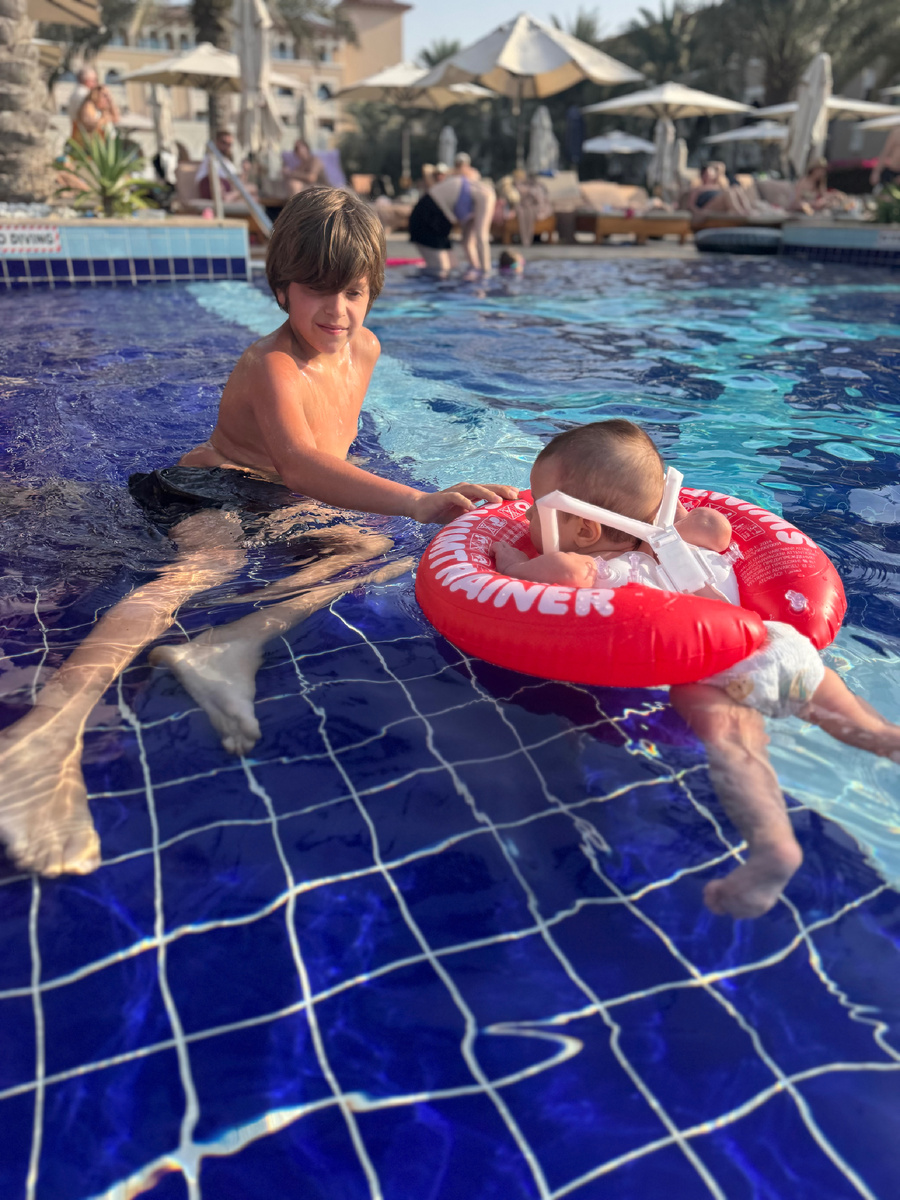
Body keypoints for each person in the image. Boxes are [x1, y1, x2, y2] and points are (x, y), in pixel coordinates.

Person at [0, 187, 516, 879]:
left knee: (375, 552)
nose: (337, 310)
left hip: (278, 502)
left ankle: (229, 645)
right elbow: (300, 461)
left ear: (374, 289)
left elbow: (324, 460)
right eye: (318, 290)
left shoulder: (365, 349)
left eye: (354, 291)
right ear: (281, 289)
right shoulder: (271, 364)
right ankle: (47, 731)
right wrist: (417, 501)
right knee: (206, 567)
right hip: (207, 488)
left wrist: (368, 511)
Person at [492, 420, 900, 920]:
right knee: (855, 720)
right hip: (776, 642)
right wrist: (663, 517)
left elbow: (566, 571)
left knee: (737, 750)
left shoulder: (594, 568)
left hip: (712, 673)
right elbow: (716, 523)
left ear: (584, 530)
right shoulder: (690, 538)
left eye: (536, 506)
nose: (526, 514)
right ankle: (889, 740)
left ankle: (774, 847)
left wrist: (511, 567)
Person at [195, 129, 255, 201]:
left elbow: (237, 184)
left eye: (229, 144)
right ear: (217, 142)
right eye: (223, 143)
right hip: (212, 190)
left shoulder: (228, 163)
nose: (226, 146)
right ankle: (229, 197)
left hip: (227, 191)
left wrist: (245, 172)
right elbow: (212, 177)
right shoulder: (210, 158)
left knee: (252, 189)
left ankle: (230, 196)